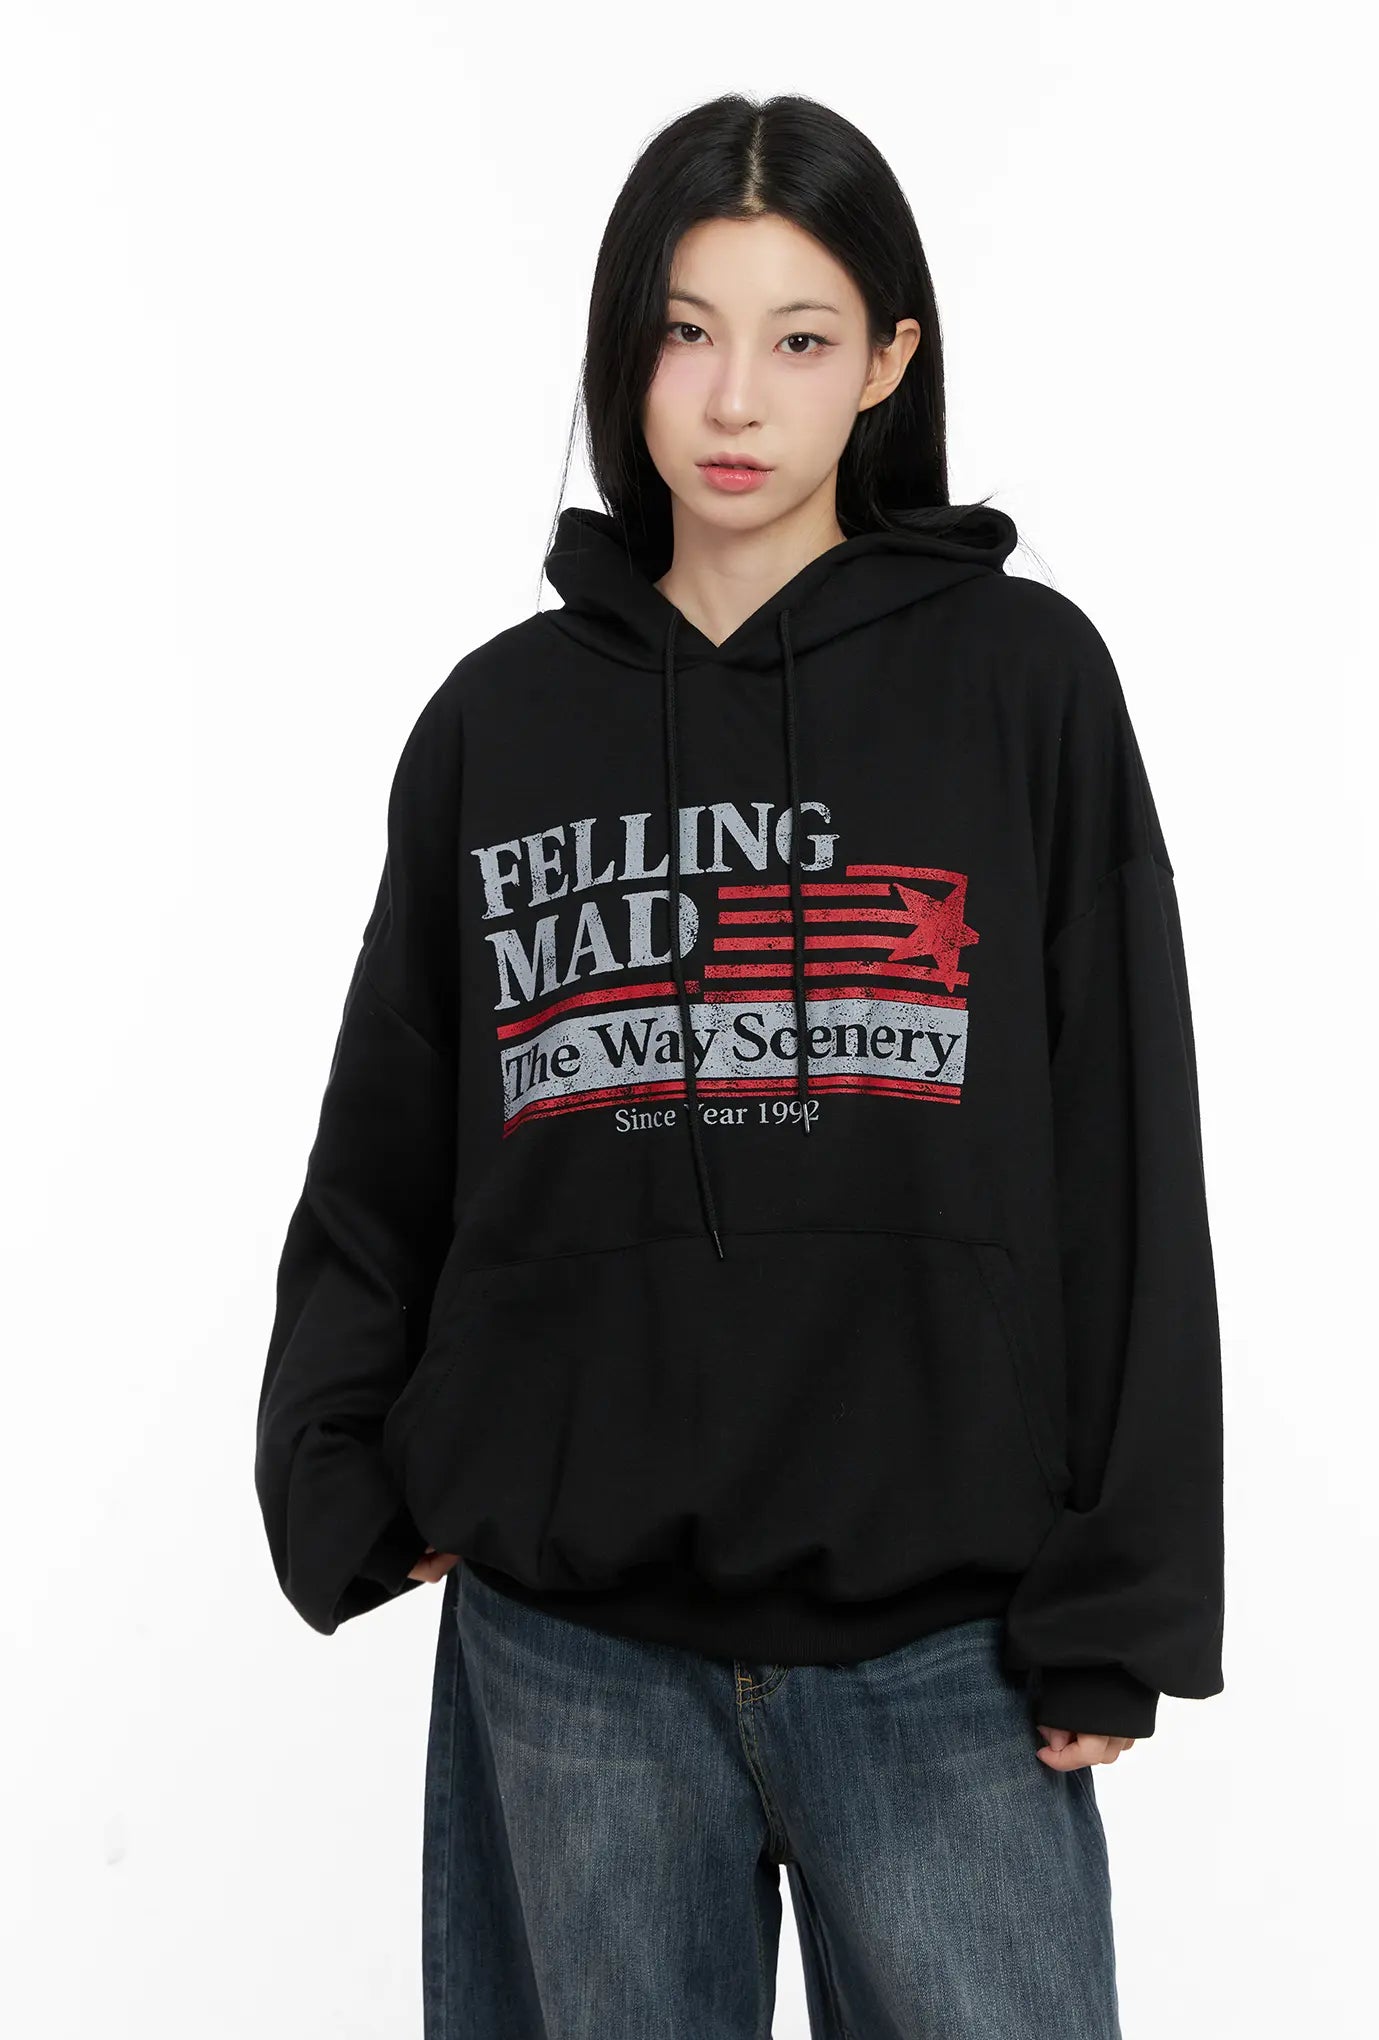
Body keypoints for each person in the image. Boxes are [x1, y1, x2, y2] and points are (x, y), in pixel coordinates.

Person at [255, 91, 1224, 2039]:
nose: (731, 399)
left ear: (886, 362)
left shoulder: (1022, 682)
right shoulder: (497, 724)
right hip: (575, 1652)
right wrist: (340, 1468)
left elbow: (1124, 1138)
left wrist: (1121, 1600)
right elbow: (392, 1135)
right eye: (686, 330)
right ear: (624, 350)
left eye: (797, 338)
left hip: (945, 1645)